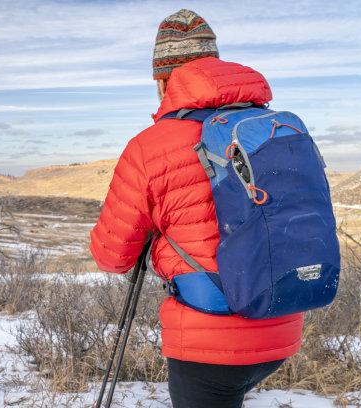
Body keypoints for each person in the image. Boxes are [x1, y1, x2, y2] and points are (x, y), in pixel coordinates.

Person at [90, 10, 303, 408]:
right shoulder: (275, 128)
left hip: (210, 336)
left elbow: (112, 256)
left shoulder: (151, 145)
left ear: (161, 79)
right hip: (282, 324)